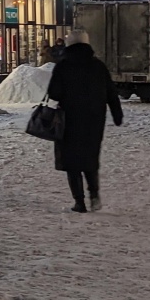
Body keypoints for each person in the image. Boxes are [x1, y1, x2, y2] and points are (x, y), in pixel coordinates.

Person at [46, 30, 123, 213]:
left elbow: (54, 93)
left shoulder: (63, 66)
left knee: (71, 161)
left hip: (69, 120)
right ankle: (94, 195)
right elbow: (111, 93)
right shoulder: (98, 66)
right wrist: (117, 114)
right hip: (94, 120)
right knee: (89, 158)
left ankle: (79, 202)